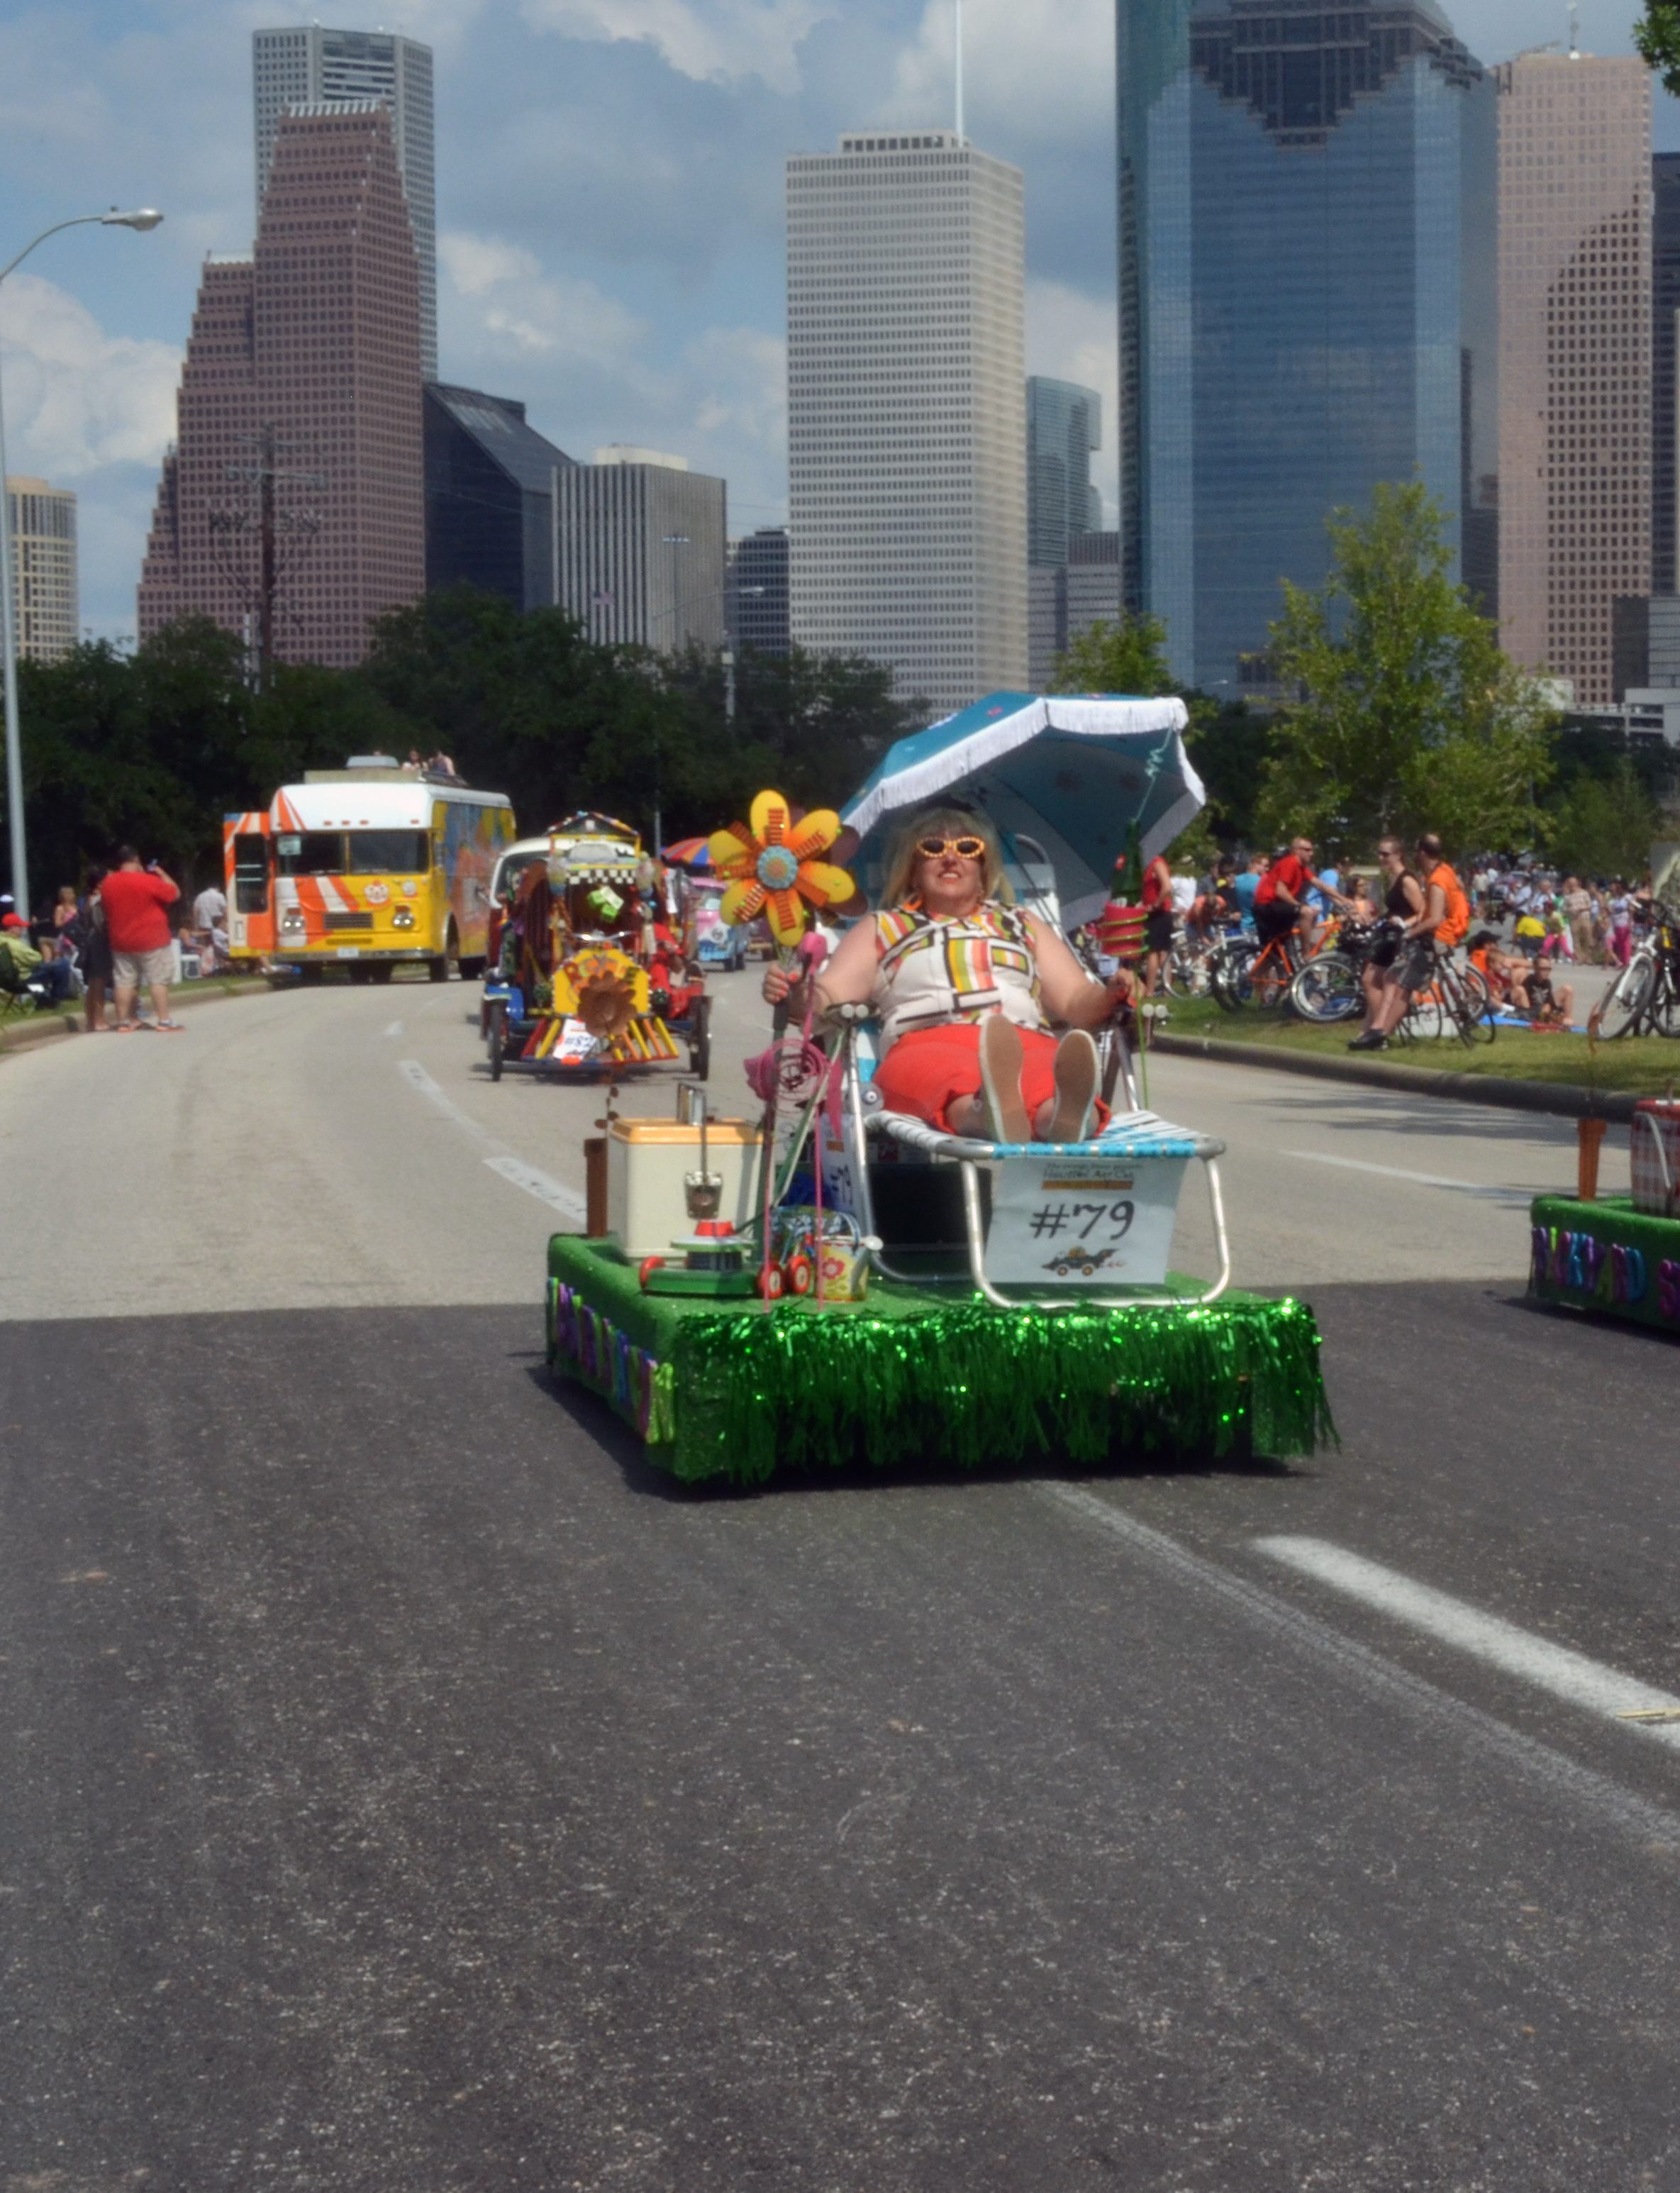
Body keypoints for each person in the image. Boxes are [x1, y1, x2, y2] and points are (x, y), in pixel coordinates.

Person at [761, 806, 1138, 1143]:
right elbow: (828, 997)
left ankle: (1061, 1116)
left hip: (1021, 1040)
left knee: (1044, 1074)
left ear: (984, 868)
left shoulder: (1021, 922)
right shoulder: (884, 926)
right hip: (929, 1041)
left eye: (967, 848)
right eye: (933, 848)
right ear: (913, 869)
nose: (950, 858)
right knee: (949, 1081)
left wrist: (1111, 993)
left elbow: (1076, 1001)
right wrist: (798, 994)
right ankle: (986, 1112)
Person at [1350, 838, 1424, 1048]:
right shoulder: (1391, 878)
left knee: (1371, 980)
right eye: (1379, 853)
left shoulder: (1407, 880)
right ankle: (1373, 1030)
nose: (1381, 857)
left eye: (1385, 854)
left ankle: (1379, 1031)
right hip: (1388, 935)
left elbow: (1422, 911)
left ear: (1398, 855)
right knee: (1371, 980)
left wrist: (1403, 924)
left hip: (1399, 937)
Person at [100, 846, 184, 1032]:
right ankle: (164, 1020)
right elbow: (175, 893)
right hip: (152, 939)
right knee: (158, 980)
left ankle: (123, 1022)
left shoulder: (108, 883)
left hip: (121, 940)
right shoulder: (147, 880)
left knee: (124, 981)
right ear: (136, 859)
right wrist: (161, 873)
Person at [1253, 835, 1349, 956]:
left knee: (1274, 954)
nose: (1311, 853)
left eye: (1312, 850)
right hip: (1266, 905)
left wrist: (1344, 899)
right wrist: (1300, 906)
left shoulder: (1302, 868)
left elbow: (1320, 885)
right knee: (1306, 912)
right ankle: (1306, 954)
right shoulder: (1290, 863)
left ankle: (1271, 965)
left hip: (1276, 905)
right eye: (1307, 850)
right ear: (1297, 851)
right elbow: (1280, 891)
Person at [1140, 843, 1175, 998]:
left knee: (1155, 952)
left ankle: (1151, 990)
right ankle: (1165, 989)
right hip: (1152, 913)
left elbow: (1167, 886)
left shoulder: (1157, 862)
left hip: (1159, 913)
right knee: (1159, 952)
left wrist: (1156, 904)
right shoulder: (1146, 866)